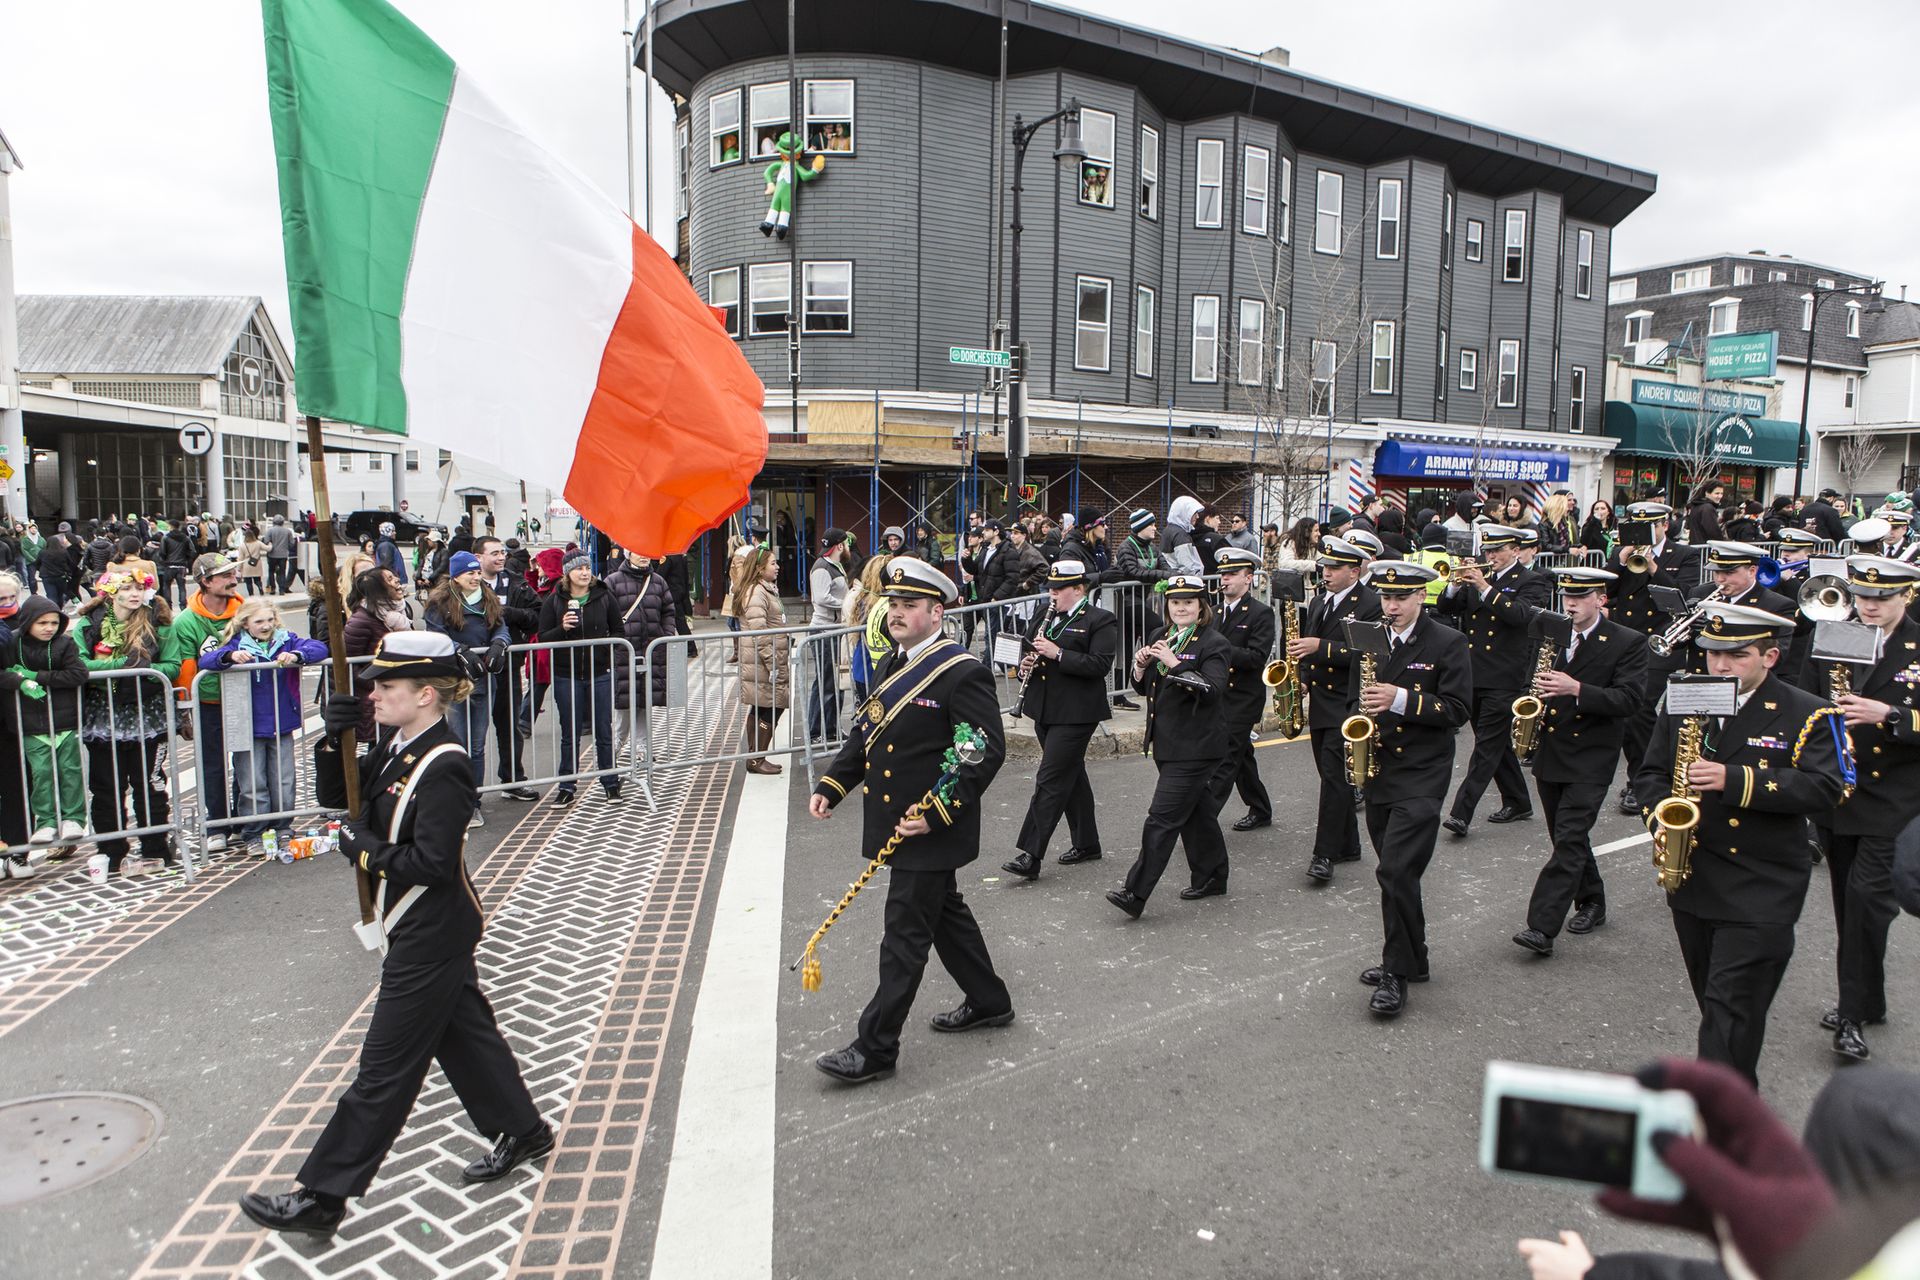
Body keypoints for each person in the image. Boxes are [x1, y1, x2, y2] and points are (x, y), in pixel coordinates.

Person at [239, 632, 551, 1239]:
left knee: (385, 1069)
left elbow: (432, 864)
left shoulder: (446, 764)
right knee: (464, 1036)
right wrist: (333, 739)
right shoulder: (398, 744)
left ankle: (322, 1197)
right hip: (419, 925)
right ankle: (525, 1130)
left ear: (426, 694)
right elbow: (339, 796)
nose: (373, 693)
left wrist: (365, 851)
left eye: (386, 686)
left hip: (432, 929)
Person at [807, 557, 1012, 1085]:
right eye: (892, 604)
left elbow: (980, 751)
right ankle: (989, 1000)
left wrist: (939, 809)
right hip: (898, 822)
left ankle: (875, 1047)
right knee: (943, 914)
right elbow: (867, 733)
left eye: (908, 605)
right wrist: (834, 784)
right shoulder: (892, 663)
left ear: (936, 611)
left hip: (929, 826)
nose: (896, 613)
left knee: (904, 935)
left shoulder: (962, 671)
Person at [1632, 602, 1847, 1085]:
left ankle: (1718, 1123)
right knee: (1718, 1008)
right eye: (1711, 654)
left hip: (1761, 887)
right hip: (1693, 879)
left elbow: (1827, 788)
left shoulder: (1808, 711)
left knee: (1729, 1012)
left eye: (1737, 656)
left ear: (1770, 657)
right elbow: (1651, 775)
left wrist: (1735, 779)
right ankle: (1737, 1105)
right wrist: (1662, 822)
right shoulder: (1689, 697)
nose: (1721, 666)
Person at [1798, 555, 1920, 1064]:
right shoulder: (1834, 634)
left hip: (1897, 797)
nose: (1870, 606)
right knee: (1850, 906)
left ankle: (1850, 1016)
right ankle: (1868, 996)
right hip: (1839, 795)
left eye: (1882, 598)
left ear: (1906, 597)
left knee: (1870, 899)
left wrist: (1891, 714)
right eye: (1864, 596)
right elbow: (1802, 700)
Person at [1350, 561, 1471, 1017]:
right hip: (1379, 769)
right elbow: (1354, 694)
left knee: (1396, 871)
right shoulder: (1370, 637)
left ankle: (1395, 971)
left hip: (1422, 773)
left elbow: (1458, 709)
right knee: (1396, 870)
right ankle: (1414, 956)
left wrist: (1400, 699)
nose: (1392, 606)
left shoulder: (1448, 642)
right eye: (1385, 597)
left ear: (1422, 596)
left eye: (1401, 598)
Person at [1511, 567, 1649, 957]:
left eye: (1579, 596)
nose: (1569, 603)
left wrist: (1577, 689)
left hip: (1592, 755)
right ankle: (1593, 900)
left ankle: (1541, 927)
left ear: (1600, 599)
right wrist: (1526, 709)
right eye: (1566, 596)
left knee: (1570, 837)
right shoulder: (1552, 633)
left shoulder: (1627, 641)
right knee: (1566, 837)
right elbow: (1529, 682)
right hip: (1552, 752)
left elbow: (1630, 699)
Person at [1107, 573, 1233, 918]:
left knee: (1161, 819)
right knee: (1197, 813)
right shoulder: (1159, 636)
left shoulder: (1214, 643)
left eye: (1188, 602)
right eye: (1175, 602)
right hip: (1167, 742)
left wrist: (1174, 663)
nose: (1180, 608)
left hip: (1197, 745)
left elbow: (1212, 690)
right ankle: (1212, 876)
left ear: (1201, 607)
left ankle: (1135, 892)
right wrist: (1139, 665)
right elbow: (1145, 689)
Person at [1001, 558, 1117, 881]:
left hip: (1078, 713)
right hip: (1044, 709)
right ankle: (1087, 843)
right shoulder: (1044, 615)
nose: (1052, 594)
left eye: (1059, 589)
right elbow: (1029, 646)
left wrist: (1059, 654)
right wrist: (1027, 663)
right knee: (1072, 776)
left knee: (1050, 779)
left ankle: (1030, 854)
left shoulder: (1100, 620)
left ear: (1078, 588)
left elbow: (1099, 665)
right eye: (1050, 588)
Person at [1438, 525, 1551, 836]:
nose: (1491, 557)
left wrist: (1485, 587)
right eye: (1487, 552)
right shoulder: (1477, 580)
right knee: (1496, 744)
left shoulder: (1533, 581)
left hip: (1506, 675)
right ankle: (1518, 800)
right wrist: (1453, 583)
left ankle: (1461, 812)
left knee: (1487, 747)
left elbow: (1521, 616)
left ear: (1515, 550)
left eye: (1497, 551)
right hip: (1475, 672)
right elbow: (1447, 608)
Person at [1287, 537, 1382, 882]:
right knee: (1332, 777)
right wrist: (1303, 680)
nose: (1325, 573)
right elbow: (1306, 650)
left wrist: (1321, 647)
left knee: (1334, 779)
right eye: (1325, 566)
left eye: (1334, 568)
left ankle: (1323, 854)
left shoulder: (1371, 604)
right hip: (1322, 703)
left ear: (1354, 571)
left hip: (1349, 701)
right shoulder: (1318, 602)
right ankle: (1349, 844)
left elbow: (1367, 653)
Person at [201, 597, 330, 845]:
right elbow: (207, 660)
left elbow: (319, 648)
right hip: (248, 724)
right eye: (259, 621)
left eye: (270, 619)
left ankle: (282, 824)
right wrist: (229, 657)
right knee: (252, 782)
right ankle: (254, 831)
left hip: (282, 721)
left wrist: (297, 655)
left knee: (284, 778)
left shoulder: (285, 639)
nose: (266, 625)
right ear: (245, 623)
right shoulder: (237, 643)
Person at [423, 550, 511, 825]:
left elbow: (501, 627)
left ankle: (473, 801)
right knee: (457, 743)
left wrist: (498, 644)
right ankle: (455, 799)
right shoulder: (440, 602)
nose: (476, 576)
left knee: (477, 745)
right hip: (454, 682)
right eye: (470, 573)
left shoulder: (487, 597)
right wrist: (460, 651)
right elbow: (436, 636)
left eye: (476, 572)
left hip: (483, 679)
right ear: (456, 575)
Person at [167, 553, 247, 850]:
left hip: (241, 697)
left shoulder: (244, 612)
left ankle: (244, 819)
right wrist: (185, 711)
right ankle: (217, 824)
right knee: (212, 765)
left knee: (245, 761)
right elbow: (186, 666)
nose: (233, 579)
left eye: (233, 573)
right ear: (206, 581)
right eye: (225, 575)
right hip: (207, 702)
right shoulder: (186, 621)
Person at [3, 593, 90, 848]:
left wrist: (37, 676)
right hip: (29, 723)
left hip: (64, 720)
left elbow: (78, 673)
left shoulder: (64, 643)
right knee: (41, 773)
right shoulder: (12, 643)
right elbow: (6, 672)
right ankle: (46, 820)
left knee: (70, 771)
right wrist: (19, 680)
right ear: (28, 621)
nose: (49, 628)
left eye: (53, 623)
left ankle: (73, 817)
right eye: (42, 623)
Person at [536, 552, 621, 807]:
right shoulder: (554, 600)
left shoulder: (604, 596)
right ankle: (567, 786)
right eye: (579, 569)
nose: (585, 573)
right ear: (567, 573)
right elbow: (543, 637)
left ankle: (610, 783)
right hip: (566, 674)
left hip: (599, 674)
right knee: (569, 733)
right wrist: (562, 628)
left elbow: (618, 630)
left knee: (603, 730)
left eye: (587, 568)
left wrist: (605, 652)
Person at [1207, 547, 1276, 832]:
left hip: (1242, 697)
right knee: (1242, 757)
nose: (1225, 579)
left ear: (1248, 578)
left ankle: (1202, 817)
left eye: (1232, 574)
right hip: (1217, 693)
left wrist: (1219, 650)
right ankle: (1260, 808)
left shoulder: (1260, 613)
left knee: (1226, 757)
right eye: (1223, 574)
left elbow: (1256, 657)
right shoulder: (1214, 610)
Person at [1683, 543, 1799, 683]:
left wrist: (1716, 626)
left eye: (1729, 573)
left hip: (1745, 684)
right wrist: (1685, 622)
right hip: (1698, 681)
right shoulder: (1700, 593)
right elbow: (1674, 644)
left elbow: (1777, 657)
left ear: (1751, 571)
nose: (1720, 579)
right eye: (1716, 572)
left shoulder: (1777, 605)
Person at [605, 550, 679, 762]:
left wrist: (664, 637)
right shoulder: (613, 581)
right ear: (628, 555)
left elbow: (668, 611)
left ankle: (642, 748)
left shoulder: (658, 581)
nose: (644, 556)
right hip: (623, 652)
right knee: (624, 703)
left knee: (644, 701)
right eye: (638, 552)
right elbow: (607, 614)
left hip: (650, 652)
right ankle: (614, 747)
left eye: (647, 551)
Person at [733, 544, 789, 774]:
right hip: (762, 661)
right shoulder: (756, 592)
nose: (777, 567)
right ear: (759, 568)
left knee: (762, 705)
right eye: (773, 563)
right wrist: (772, 663)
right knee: (771, 706)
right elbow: (760, 632)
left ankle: (756, 756)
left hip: (763, 660)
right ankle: (757, 757)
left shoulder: (764, 589)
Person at [343, 566, 414, 741]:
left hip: (402, 695)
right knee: (380, 754)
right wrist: (380, 685)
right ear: (378, 589)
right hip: (377, 700)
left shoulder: (401, 611)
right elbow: (348, 665)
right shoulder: (361, 620)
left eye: (394, 576)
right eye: (389, 579)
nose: (397, 581)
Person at [1113, 509, 1169, 708]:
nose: (1155, 528)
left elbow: (1166, 568)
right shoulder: (1126, 547)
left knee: (1128, 647)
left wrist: (1167, 574)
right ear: (1140, 527)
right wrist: (1162, 575)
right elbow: (1133, 571)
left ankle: (1120, 695)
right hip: (1125, 602)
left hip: (1140, 602)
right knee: (1156, 627)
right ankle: (1153, 666)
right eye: (1151, 524)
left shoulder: (1153, 548)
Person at [805, 530, 853, 747]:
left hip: (834, 629)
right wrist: (847, 603)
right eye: (846, 544)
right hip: (824, 630)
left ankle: (831, 729)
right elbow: (821, 597)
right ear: (840, 546)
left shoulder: (833, 566)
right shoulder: (822, 567)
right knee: (825, 682)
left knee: (834, 682)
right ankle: (817, 731)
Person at [159, 518, 197, 608]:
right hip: (182, 566)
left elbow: (162, 552)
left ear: (171, 526)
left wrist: (164, 560)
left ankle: (168, 605)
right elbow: (193, 551)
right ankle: (183, 605)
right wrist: (186, 559)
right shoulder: (185, 538)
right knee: (182, 587)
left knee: (167, 586)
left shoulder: (166, 538)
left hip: (169, 565)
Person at [262, 514, 298, 594]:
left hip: (272, 555)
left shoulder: (270, 531)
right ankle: (282, 590)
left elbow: (266, 541)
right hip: (283, 555)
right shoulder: (288, 531)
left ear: (274, 522)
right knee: (282, 572)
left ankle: (273, 588)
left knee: (271, 572)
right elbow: (292, 543)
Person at [374, 520, 409, 591]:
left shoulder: (388, 544)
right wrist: (393, 581)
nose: (395, 533)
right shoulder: (386, 546)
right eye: (392, 531)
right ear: (387, 532)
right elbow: (387, 566)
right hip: (394, 583)